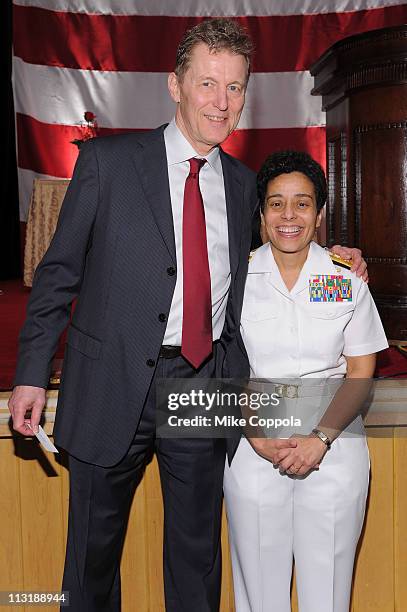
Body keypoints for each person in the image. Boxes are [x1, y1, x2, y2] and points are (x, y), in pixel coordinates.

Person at [8, 20, 366, 612]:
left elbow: (287, 238)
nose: (221, 103)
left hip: (201, 387)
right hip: (110, 381)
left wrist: (340, 258)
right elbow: (57, 275)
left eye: (233, 88)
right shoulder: (107, 164)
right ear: (175, 86)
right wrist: (29, 373)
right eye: (207, 84)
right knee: (91, 561)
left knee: (197, 561)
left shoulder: (248, 187)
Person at [223, 150, 388, 612]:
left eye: (302, 203)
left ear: (318, 215)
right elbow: (222, 364)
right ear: (261, 213)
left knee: (328, 592)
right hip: (255, 448)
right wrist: (254, 434)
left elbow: (361, 371)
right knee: (259, 592)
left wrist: (320, 439)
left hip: (333, 446)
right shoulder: (235, 280)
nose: (289, 215)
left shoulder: (341, 278)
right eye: (276, 203)